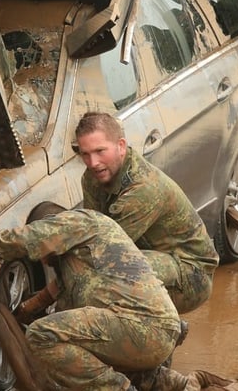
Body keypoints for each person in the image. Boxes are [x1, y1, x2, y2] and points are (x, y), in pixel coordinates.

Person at [0, 202, 181, 391]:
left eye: (42, 254)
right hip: (156, 333)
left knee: (41, 334)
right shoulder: (81, 265)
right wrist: (25, 310)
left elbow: (34, 236)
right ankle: (171, 383)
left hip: (142, 326)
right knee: (74, 347)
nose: (43, 262)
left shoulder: (81, 222)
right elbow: (56, 302)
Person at [75, 111, 219, 314]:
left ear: (121, 146)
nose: (93, 162)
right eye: (85, 154)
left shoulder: (144, 188)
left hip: (191, 273)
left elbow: (101, 251)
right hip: (151, 255)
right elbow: (90, 230)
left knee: (99, 278)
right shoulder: (92, 177)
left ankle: (160, 329)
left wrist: (44, 297)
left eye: (100, 151)